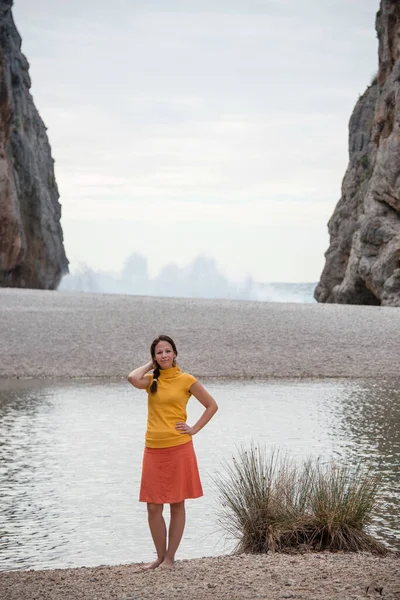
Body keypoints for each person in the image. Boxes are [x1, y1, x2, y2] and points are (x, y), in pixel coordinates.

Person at [128, 334, 218, 570]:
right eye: (159, 352)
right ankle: (159, 557)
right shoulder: (151, 381)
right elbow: (131, 377)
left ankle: (170, 558)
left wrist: (194, 429)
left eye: (168, 351)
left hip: (179, 448)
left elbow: (212, 405)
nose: (164, 355)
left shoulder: (186, 380)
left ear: (175, 353)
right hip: (153, 449)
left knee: (177, 504)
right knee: (153, 506)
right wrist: (152, 364)